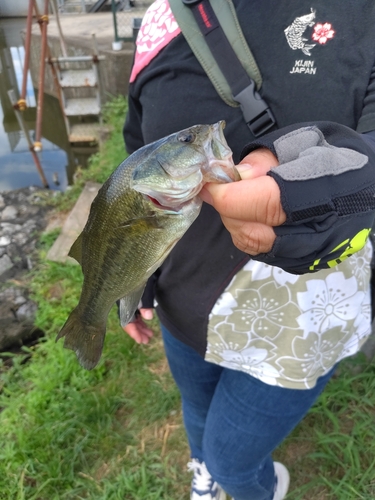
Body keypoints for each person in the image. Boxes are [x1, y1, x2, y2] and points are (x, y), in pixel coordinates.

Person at [121, 1, 375, 499]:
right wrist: (134, 274)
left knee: (234, 463)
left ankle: (241, 483)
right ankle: (205, 476)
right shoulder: (161, 16)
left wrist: (309, 192)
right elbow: (137, 156)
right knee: (198, 415)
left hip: (300, 320)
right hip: (183, 298)